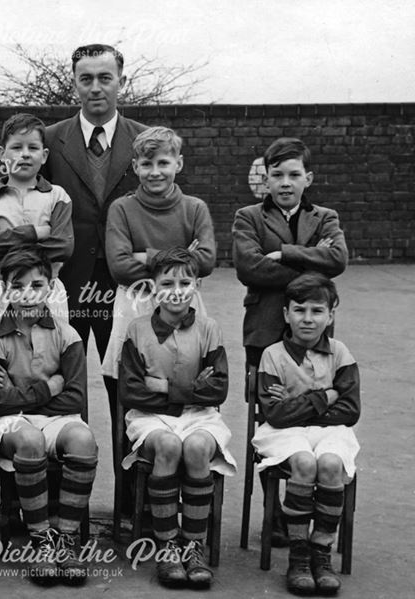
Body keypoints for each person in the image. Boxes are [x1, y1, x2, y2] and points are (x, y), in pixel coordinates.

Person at [41, 44, 148, 495]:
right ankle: (59, 505)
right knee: (59, 390)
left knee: (126, 389)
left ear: (121, 81)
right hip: (64, 283)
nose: (96, 87)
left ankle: (130, 506)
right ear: (74, 83)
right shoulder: (48, 140)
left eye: (105, 77)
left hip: (124, 288)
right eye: (86, 78)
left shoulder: (145, 139)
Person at [232, 137, 348, 545]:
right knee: (273, 418)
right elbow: (249, 268)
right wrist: (308, 265)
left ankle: (304, 499)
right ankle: (274, 512)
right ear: (264, 179)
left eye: (294, 175)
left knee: (311, 412)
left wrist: (281, 253)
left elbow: (338, 260)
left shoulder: (325, 216)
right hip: (264, 333)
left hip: (314, 339)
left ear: (308, 178)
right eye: (276, 175)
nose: (285, 182)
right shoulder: (248, 216)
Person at [0, 246, 96, 587]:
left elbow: (75, 396)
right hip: (8, 424)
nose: (28, 295)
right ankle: (40, 540)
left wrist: (20, 392)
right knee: (29, 439)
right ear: (5, 289)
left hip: (48, 415)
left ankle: (66, 537)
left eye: (37, 286)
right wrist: (49, 387)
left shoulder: (66, 334)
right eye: (18, 286)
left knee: (83, 439)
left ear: (51, 287)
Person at [118, 247, 236, 589]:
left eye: (185, 282)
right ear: (153, 287)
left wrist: (164, 386)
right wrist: (187, 387)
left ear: (197, 285)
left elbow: (217, 390)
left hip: (199, 416)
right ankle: (168, 546)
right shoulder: (137, 329)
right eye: (166, 282)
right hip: (151, 418)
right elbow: (131, 392)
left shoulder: (209, 328)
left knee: (198, 447)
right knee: (168, 446)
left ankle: (193, 544)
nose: (176, 290)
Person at [252, 273, 358, 595]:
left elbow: (351, 410)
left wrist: (297, 403)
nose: (308, 319)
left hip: (331, 431)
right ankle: (298, 556)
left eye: (317, 311)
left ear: (330, 315)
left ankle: (320, 552)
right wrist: (324, 396)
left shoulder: (340, 353)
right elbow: (277, 414)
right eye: (299, 310)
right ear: (286, 314)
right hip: (283, 432)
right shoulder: (272, 355)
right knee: (303, 462)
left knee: (328, 464)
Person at [103, 126, 215, 379]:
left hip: (183, 300)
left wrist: (147, 256)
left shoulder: (195, 208)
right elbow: (120, 267)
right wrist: (183, 259)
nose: (155, 172)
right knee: (133, 375)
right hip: (137, 302)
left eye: (163, 163)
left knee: (188, 371)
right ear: (135, 166)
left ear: (179, 163)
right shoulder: (122, 208)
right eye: (146, 164)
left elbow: (206, 261)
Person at [0, 112, 73, 331]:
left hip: (46, 285)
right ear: (2, 153)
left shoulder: (58, 196)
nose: (25, 154)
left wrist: (2, 237)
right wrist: (37, 233)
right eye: (17, 147)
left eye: (33, 148)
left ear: (44, 155)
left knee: (54, 346)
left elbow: (63, 247)